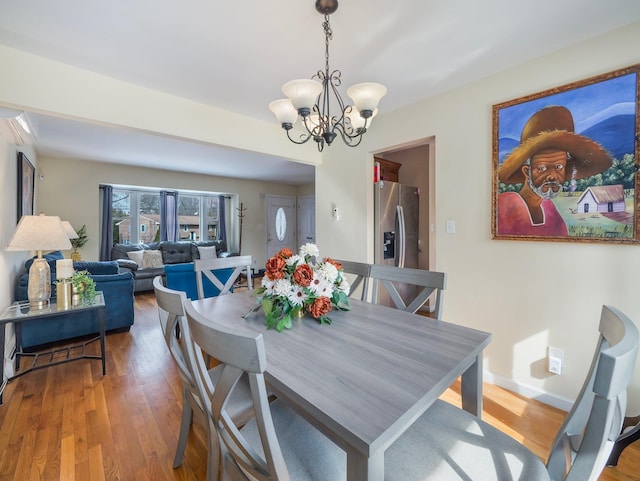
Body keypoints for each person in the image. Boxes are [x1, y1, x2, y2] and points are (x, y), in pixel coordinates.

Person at [497, 105, 612, 236]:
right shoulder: (504, 205)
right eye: (542, 168)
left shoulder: (550, 209)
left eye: (558, 167)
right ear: (526, 171)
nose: (552, 176)